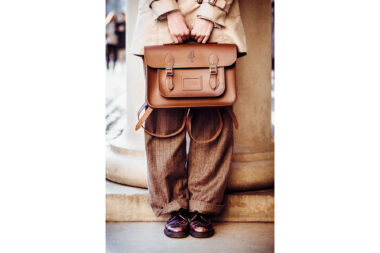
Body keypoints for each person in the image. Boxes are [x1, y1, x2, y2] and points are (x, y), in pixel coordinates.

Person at [130, 0, 247, 238]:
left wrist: (210, 13)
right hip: (160, 20)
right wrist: (169, 11)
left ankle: (203, 205)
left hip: (216, 21)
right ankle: (173, 205)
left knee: (213, 118)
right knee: (163, 120)